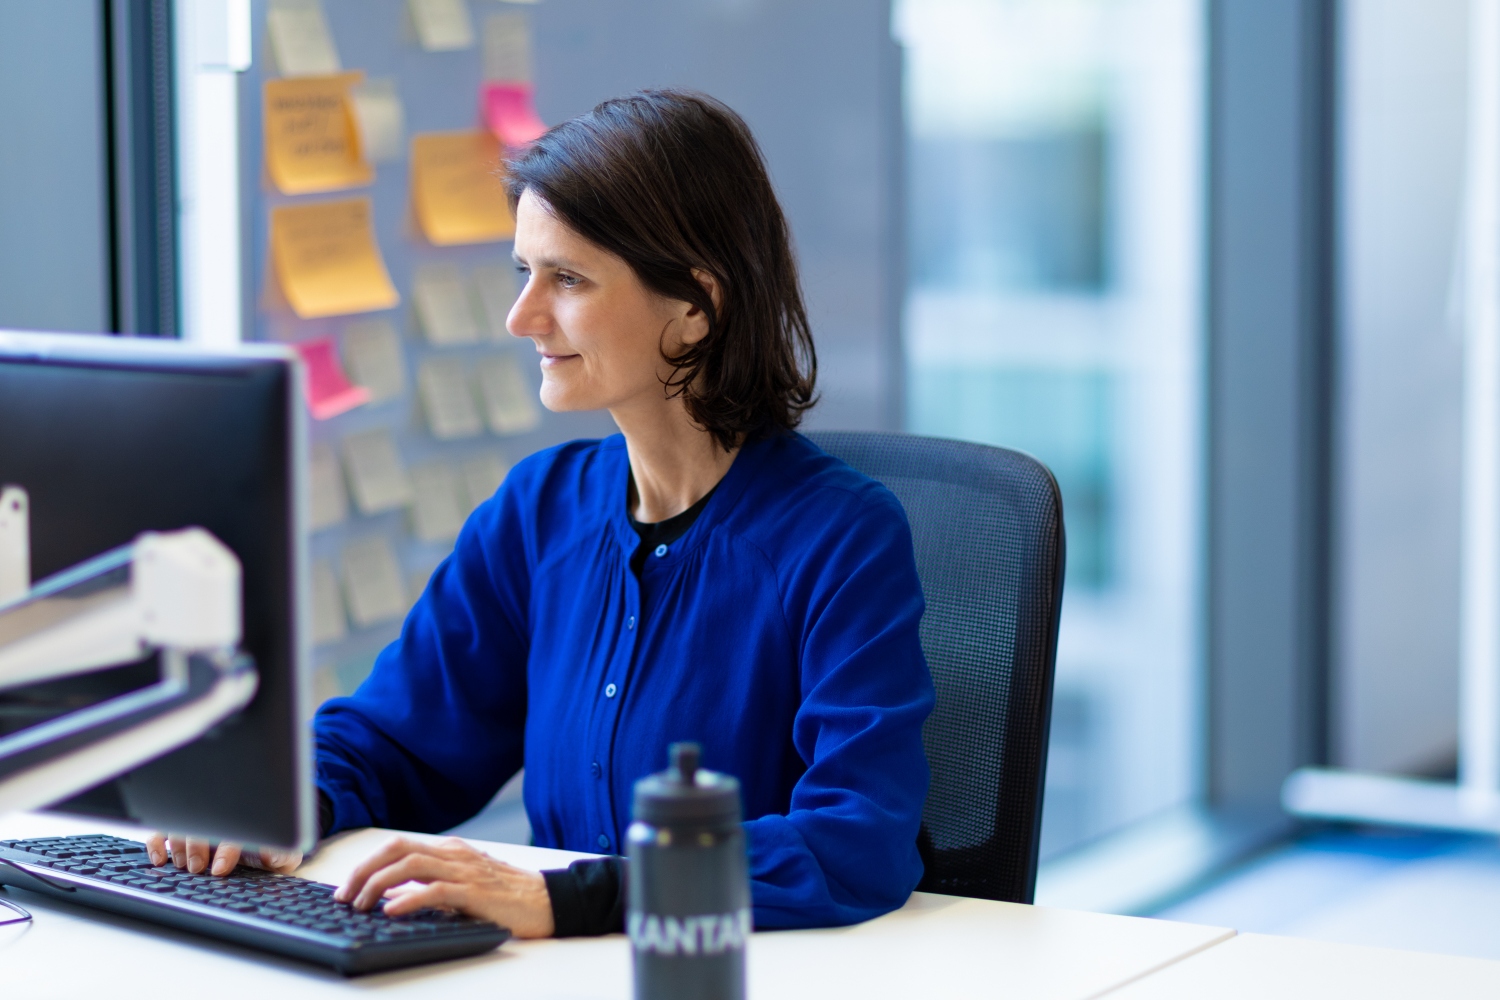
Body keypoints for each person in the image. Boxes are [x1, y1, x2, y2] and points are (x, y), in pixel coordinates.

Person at [148, 89, 934, 938]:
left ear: (696, 305)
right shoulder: (538, 511)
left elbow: (854, 844)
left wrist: (567, 900)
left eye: (568, 278)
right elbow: (394, 742)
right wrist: (273, 805)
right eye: (525, 272)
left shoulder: (844, 539)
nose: (523, 317)